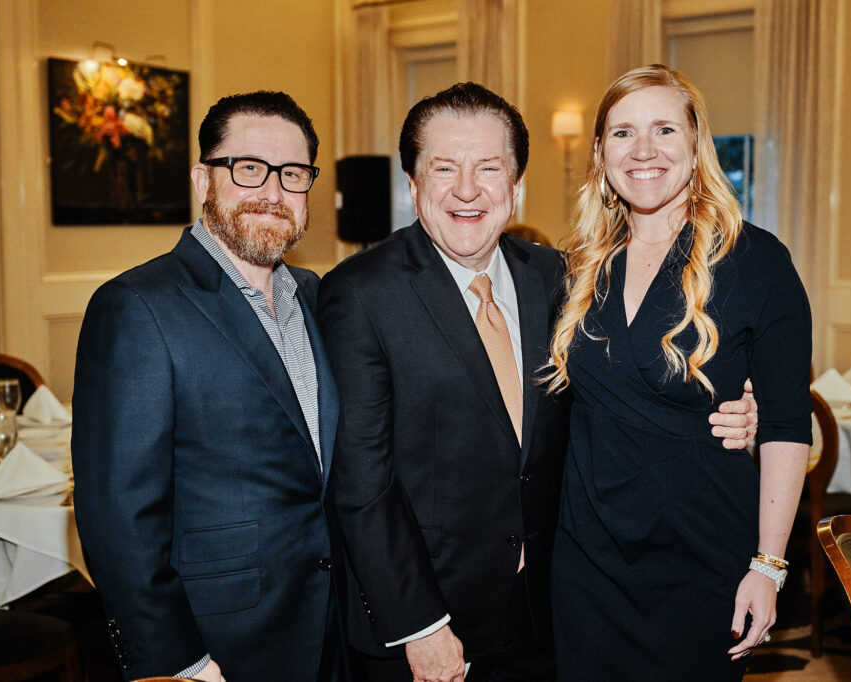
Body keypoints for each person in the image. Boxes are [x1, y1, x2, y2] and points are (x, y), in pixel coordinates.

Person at [317, 82, 758, 682]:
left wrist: (739, 409)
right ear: (413, 185)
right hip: (429, 623)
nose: (467, 190)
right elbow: (361, 482)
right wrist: (419, 625)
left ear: (516, 185)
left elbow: (624, 395)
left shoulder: (560, 278)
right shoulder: (361, 292)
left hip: (554, 611)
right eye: (444, 168)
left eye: (489, 168)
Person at [546, 64, 812, 681]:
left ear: (695, 148)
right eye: (622, 133)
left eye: (664, 129)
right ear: (599, 152)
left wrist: (768, 567)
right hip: (587, 561)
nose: (644, 151)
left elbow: (785, 426)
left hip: (702, 558)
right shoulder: (579, 267)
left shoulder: (756, 260)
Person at [72, 91, 348, 682]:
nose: (273, 193)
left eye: (293, 175)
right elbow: (118, 517)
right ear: (204, 180)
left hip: (328, 630)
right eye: (248, 169)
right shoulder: (136, 306)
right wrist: (177, 661)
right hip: (216, 646)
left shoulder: (318, 296)